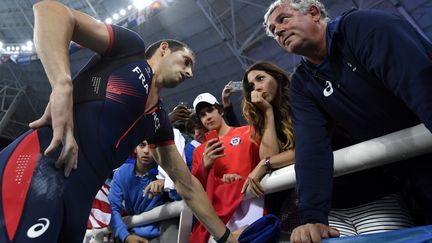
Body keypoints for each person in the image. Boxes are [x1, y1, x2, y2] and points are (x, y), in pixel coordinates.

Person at [0, 1, 235, 242]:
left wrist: (226, 237)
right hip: (39, 166)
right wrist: (62, 84)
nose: (190, 73)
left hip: (78, 203)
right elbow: (50, 10)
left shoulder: (159, 121)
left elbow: (187, 185)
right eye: (186, 61)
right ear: (164, 48)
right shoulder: (130, 50)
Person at [263, 0, 432, 242]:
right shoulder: (302, 83)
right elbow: (311, 148)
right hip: (409, 174)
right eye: (273, 30)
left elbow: (420, 84)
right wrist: (313, 217)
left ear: (313, 13)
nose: (277, 30)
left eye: (283, 19)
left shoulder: (363, 27)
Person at [190, 93, 261, 242]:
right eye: (202, 115)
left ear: (221, 111)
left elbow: (264, 160)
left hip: (252, 203)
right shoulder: (199, 151)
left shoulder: (247, 132)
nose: (207, 117)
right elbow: (195, 187)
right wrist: (205, 166)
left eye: (210, 110)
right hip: (220, 213)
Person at [240, 61, 298, 235]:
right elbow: (269, 155)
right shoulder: (263, 119)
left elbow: (308, 147)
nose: (256, 87)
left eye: (261, 79)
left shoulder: (300, 101)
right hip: (283, 205)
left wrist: (265, 164)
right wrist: (267, 113)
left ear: (278, 78)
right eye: (251, 86)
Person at [109, 140, 164, 242]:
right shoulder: (122, 173)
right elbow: (113, 208)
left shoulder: (164, 171)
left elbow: (179, 198)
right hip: (130, 232)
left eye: (151, 146)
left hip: (160, 233)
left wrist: (167, 183)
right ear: (135, 148)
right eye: (142, 145)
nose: (146, 151)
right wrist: (126, 236)